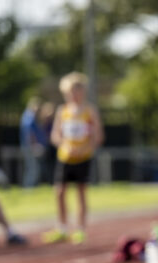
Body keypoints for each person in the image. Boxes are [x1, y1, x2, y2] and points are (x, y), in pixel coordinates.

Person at [43, 72, 103, 245]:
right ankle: (61, 228)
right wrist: (64, 145)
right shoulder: (63, 111)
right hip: (65, 157)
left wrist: (85, 148)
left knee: (81, 193)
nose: (73, 95)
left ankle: (80, 229)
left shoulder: (89, 111)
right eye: (70, 92)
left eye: (77, 91)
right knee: (59, 192)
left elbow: (98, 136)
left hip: (83, 157)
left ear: (82, 92)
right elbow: (55, 134)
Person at [19, 96, 46, 188]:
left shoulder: (28, 116)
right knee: (32, 169)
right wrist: (34, 145)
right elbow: (29, 133)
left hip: (29, 146)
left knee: (32, 168)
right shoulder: (29, 117)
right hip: (30, 146)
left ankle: (30, 187)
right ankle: (29, 188)